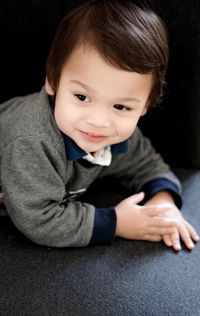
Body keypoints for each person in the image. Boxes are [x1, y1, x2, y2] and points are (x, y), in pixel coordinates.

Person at [0, 0, 198, 251]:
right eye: (82, 97)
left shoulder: (120, 137)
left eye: (121, 107)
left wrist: (163, 205)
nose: (99, 122)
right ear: (53, 82)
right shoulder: (31, 140)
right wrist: (115, 223)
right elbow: (39, 219)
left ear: (145, 106)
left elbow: (150, 166)